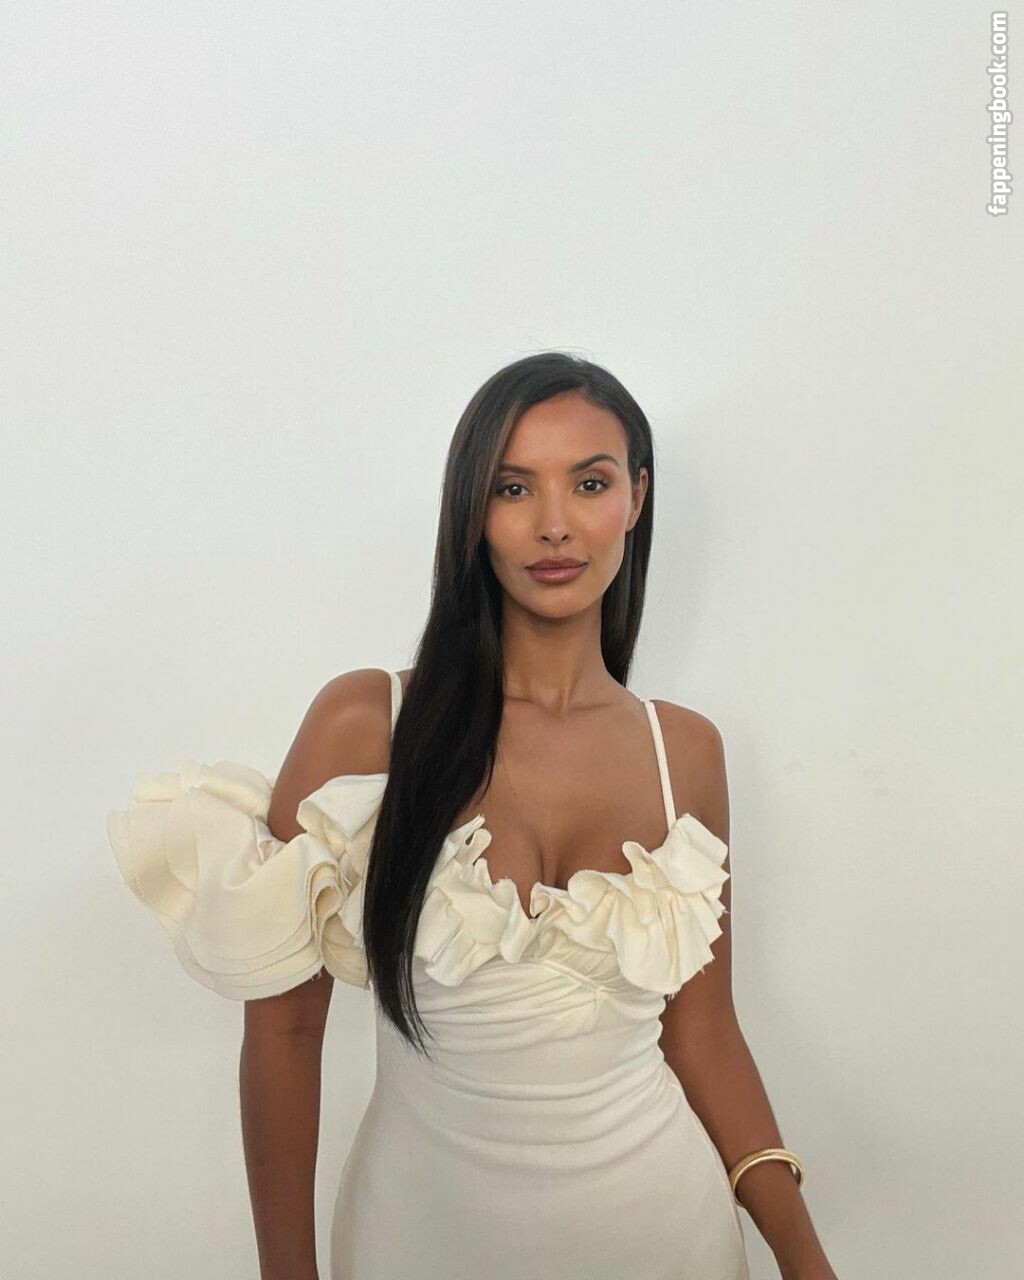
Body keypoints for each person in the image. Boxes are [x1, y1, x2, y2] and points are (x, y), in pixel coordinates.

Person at [107, 352, 838, 1280]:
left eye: (590, 483)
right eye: (512, 487)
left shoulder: (683, 752)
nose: (554, 524)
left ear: (637, 497)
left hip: (671, 1237)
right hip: (417, 1242)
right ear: (471, 510)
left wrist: (803, 1256)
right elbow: (285, 1035)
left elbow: (704, 1033)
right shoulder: (367, 723)